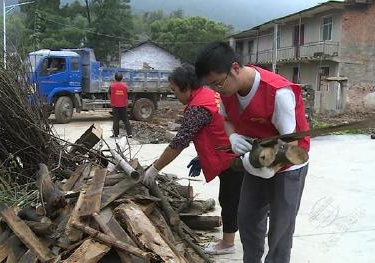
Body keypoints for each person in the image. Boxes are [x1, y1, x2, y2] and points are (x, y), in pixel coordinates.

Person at [195, 41, 310, 263]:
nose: (217, 90)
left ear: (235, 68)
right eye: (211, 86)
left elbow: (288, 143)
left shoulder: (278, 92)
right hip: (255, 159)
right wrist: (232, 136)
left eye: (218, 84)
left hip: (288, 162)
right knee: (248, 219)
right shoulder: (228, 90)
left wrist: (270, 167)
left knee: (280, 227)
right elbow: (226, 119)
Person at [143, 65, 243, 255]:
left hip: (231, 158)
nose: (174, 95)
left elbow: (179, 143)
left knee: (229, 200)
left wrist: (154, 169)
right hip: (231, 151)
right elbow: (214, 127)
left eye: (174, 90)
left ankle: (228, 244)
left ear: (186, 86)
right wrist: (202, 155)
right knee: (237, 198)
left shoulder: (197, 107)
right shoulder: (208, 93)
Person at [109, 73, 132, 138]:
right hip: (123, 105)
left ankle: (116, 134)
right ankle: (129, 134)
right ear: (122, 78)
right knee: (126, 120)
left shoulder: (112, 86)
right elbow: (127, 94)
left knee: (116, 120)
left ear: (115, 78)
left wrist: (112, 100)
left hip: (115, 105)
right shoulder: (125, 86)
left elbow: (109, 94)